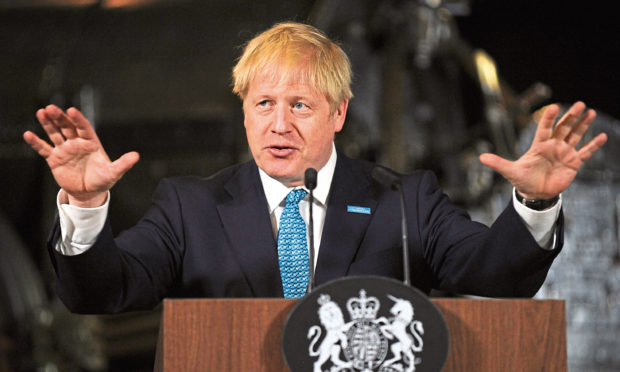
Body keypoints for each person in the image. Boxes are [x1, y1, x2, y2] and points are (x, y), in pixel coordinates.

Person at [23, 22, 607, 314]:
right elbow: (102, 292)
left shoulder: (405, 202)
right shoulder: (188, 206)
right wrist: (84, 207)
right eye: (264, 105)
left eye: (299, 105)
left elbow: (494, 276)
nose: (280, 125)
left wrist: (533, 205)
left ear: (338, 113)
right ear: (245, 112)